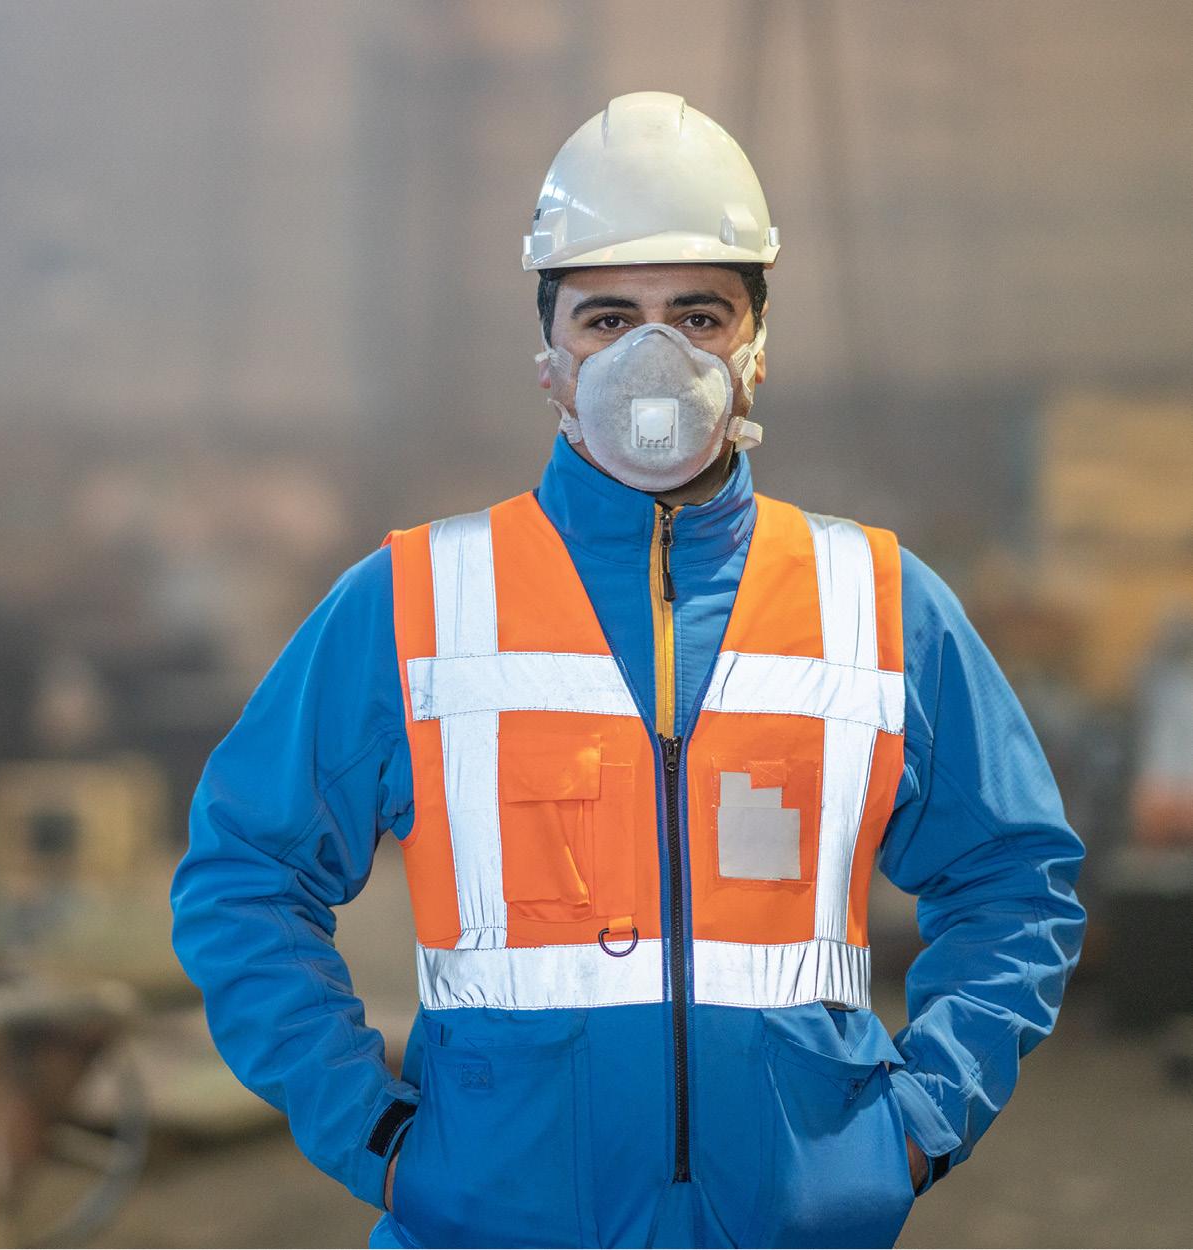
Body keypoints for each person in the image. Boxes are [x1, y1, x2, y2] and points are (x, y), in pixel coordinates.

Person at [169, 91, 1087, 1249]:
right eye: (607, 318)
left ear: (757, 346)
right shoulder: (412, 603)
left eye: (696, 314)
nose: (651, 359)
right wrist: (380, 1138)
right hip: (490, 1227)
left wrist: (911, 1124)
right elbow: (242, 875)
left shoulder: (879, 601)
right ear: (548, 354)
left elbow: (1014, 879)